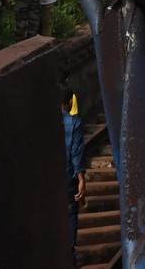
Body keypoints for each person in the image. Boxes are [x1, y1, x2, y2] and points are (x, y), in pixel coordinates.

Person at [63, 86, 86, 254]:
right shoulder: (74, 122)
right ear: (70, 102)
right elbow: (76, 152)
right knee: (71, 214)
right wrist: (81, 179)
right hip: (68, 175)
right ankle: (69, 251)